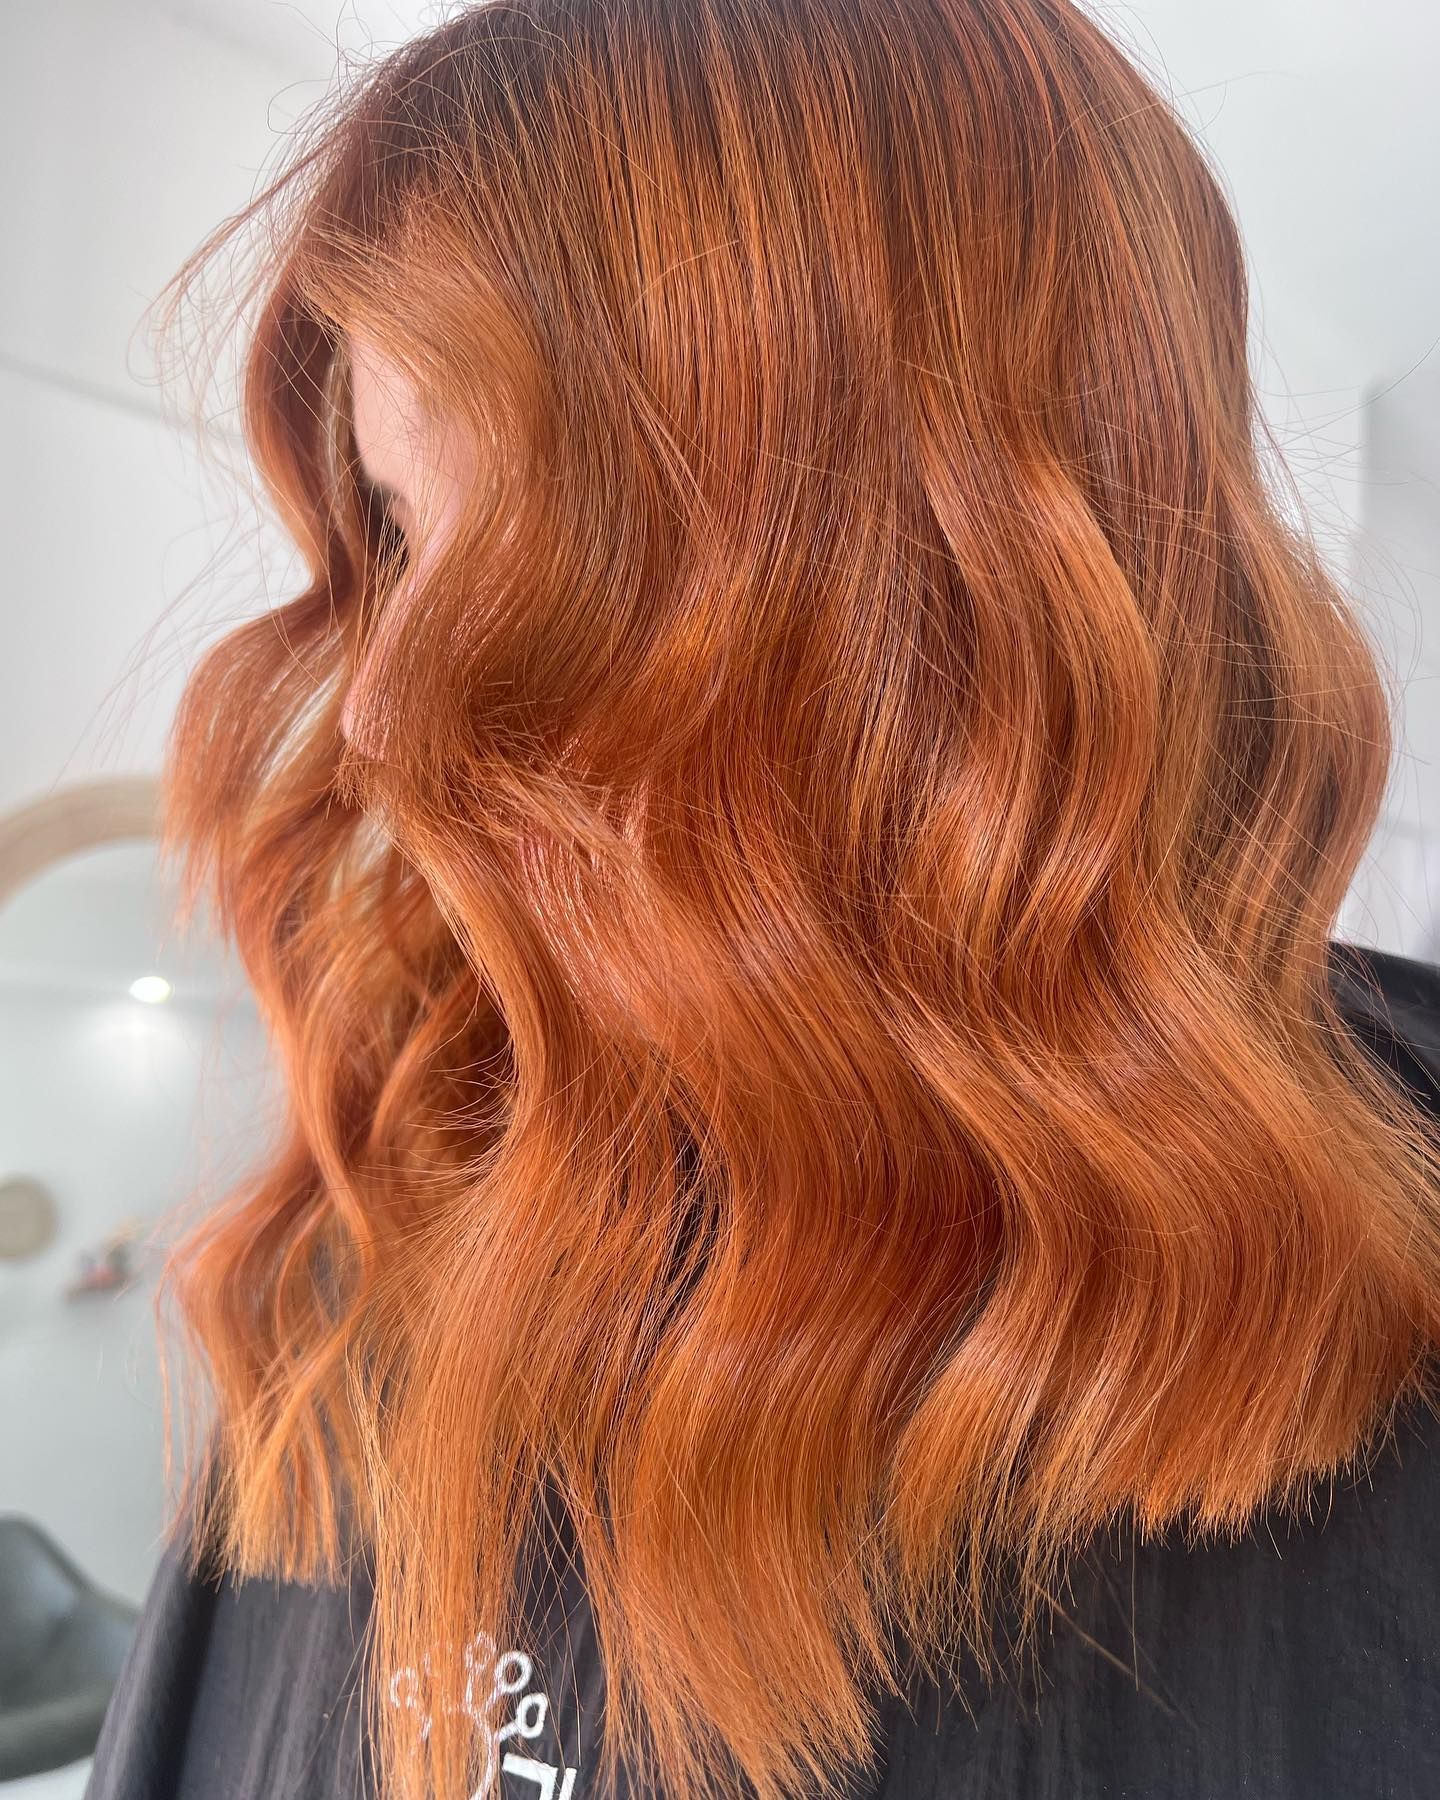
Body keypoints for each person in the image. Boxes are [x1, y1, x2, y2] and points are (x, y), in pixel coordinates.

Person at [85, 1, 1440, 1797]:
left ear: (953, 572)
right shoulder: (379, 1221)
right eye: (400, 537)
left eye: (546, 553)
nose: (390, 704)